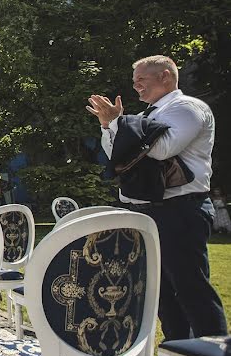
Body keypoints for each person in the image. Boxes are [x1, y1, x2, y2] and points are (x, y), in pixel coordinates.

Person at [87, 54, 227, 340]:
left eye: (142, 80)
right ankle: (177, 350)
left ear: (165, 76)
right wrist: (109, 126)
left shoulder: (186, 108)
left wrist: (120, 124)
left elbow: (163, 149)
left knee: (191, 285)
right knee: (160, 287)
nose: (136, 87)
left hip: (180, 209)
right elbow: (116, 154)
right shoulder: (143, 117)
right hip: (148, 211)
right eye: (134, 82)